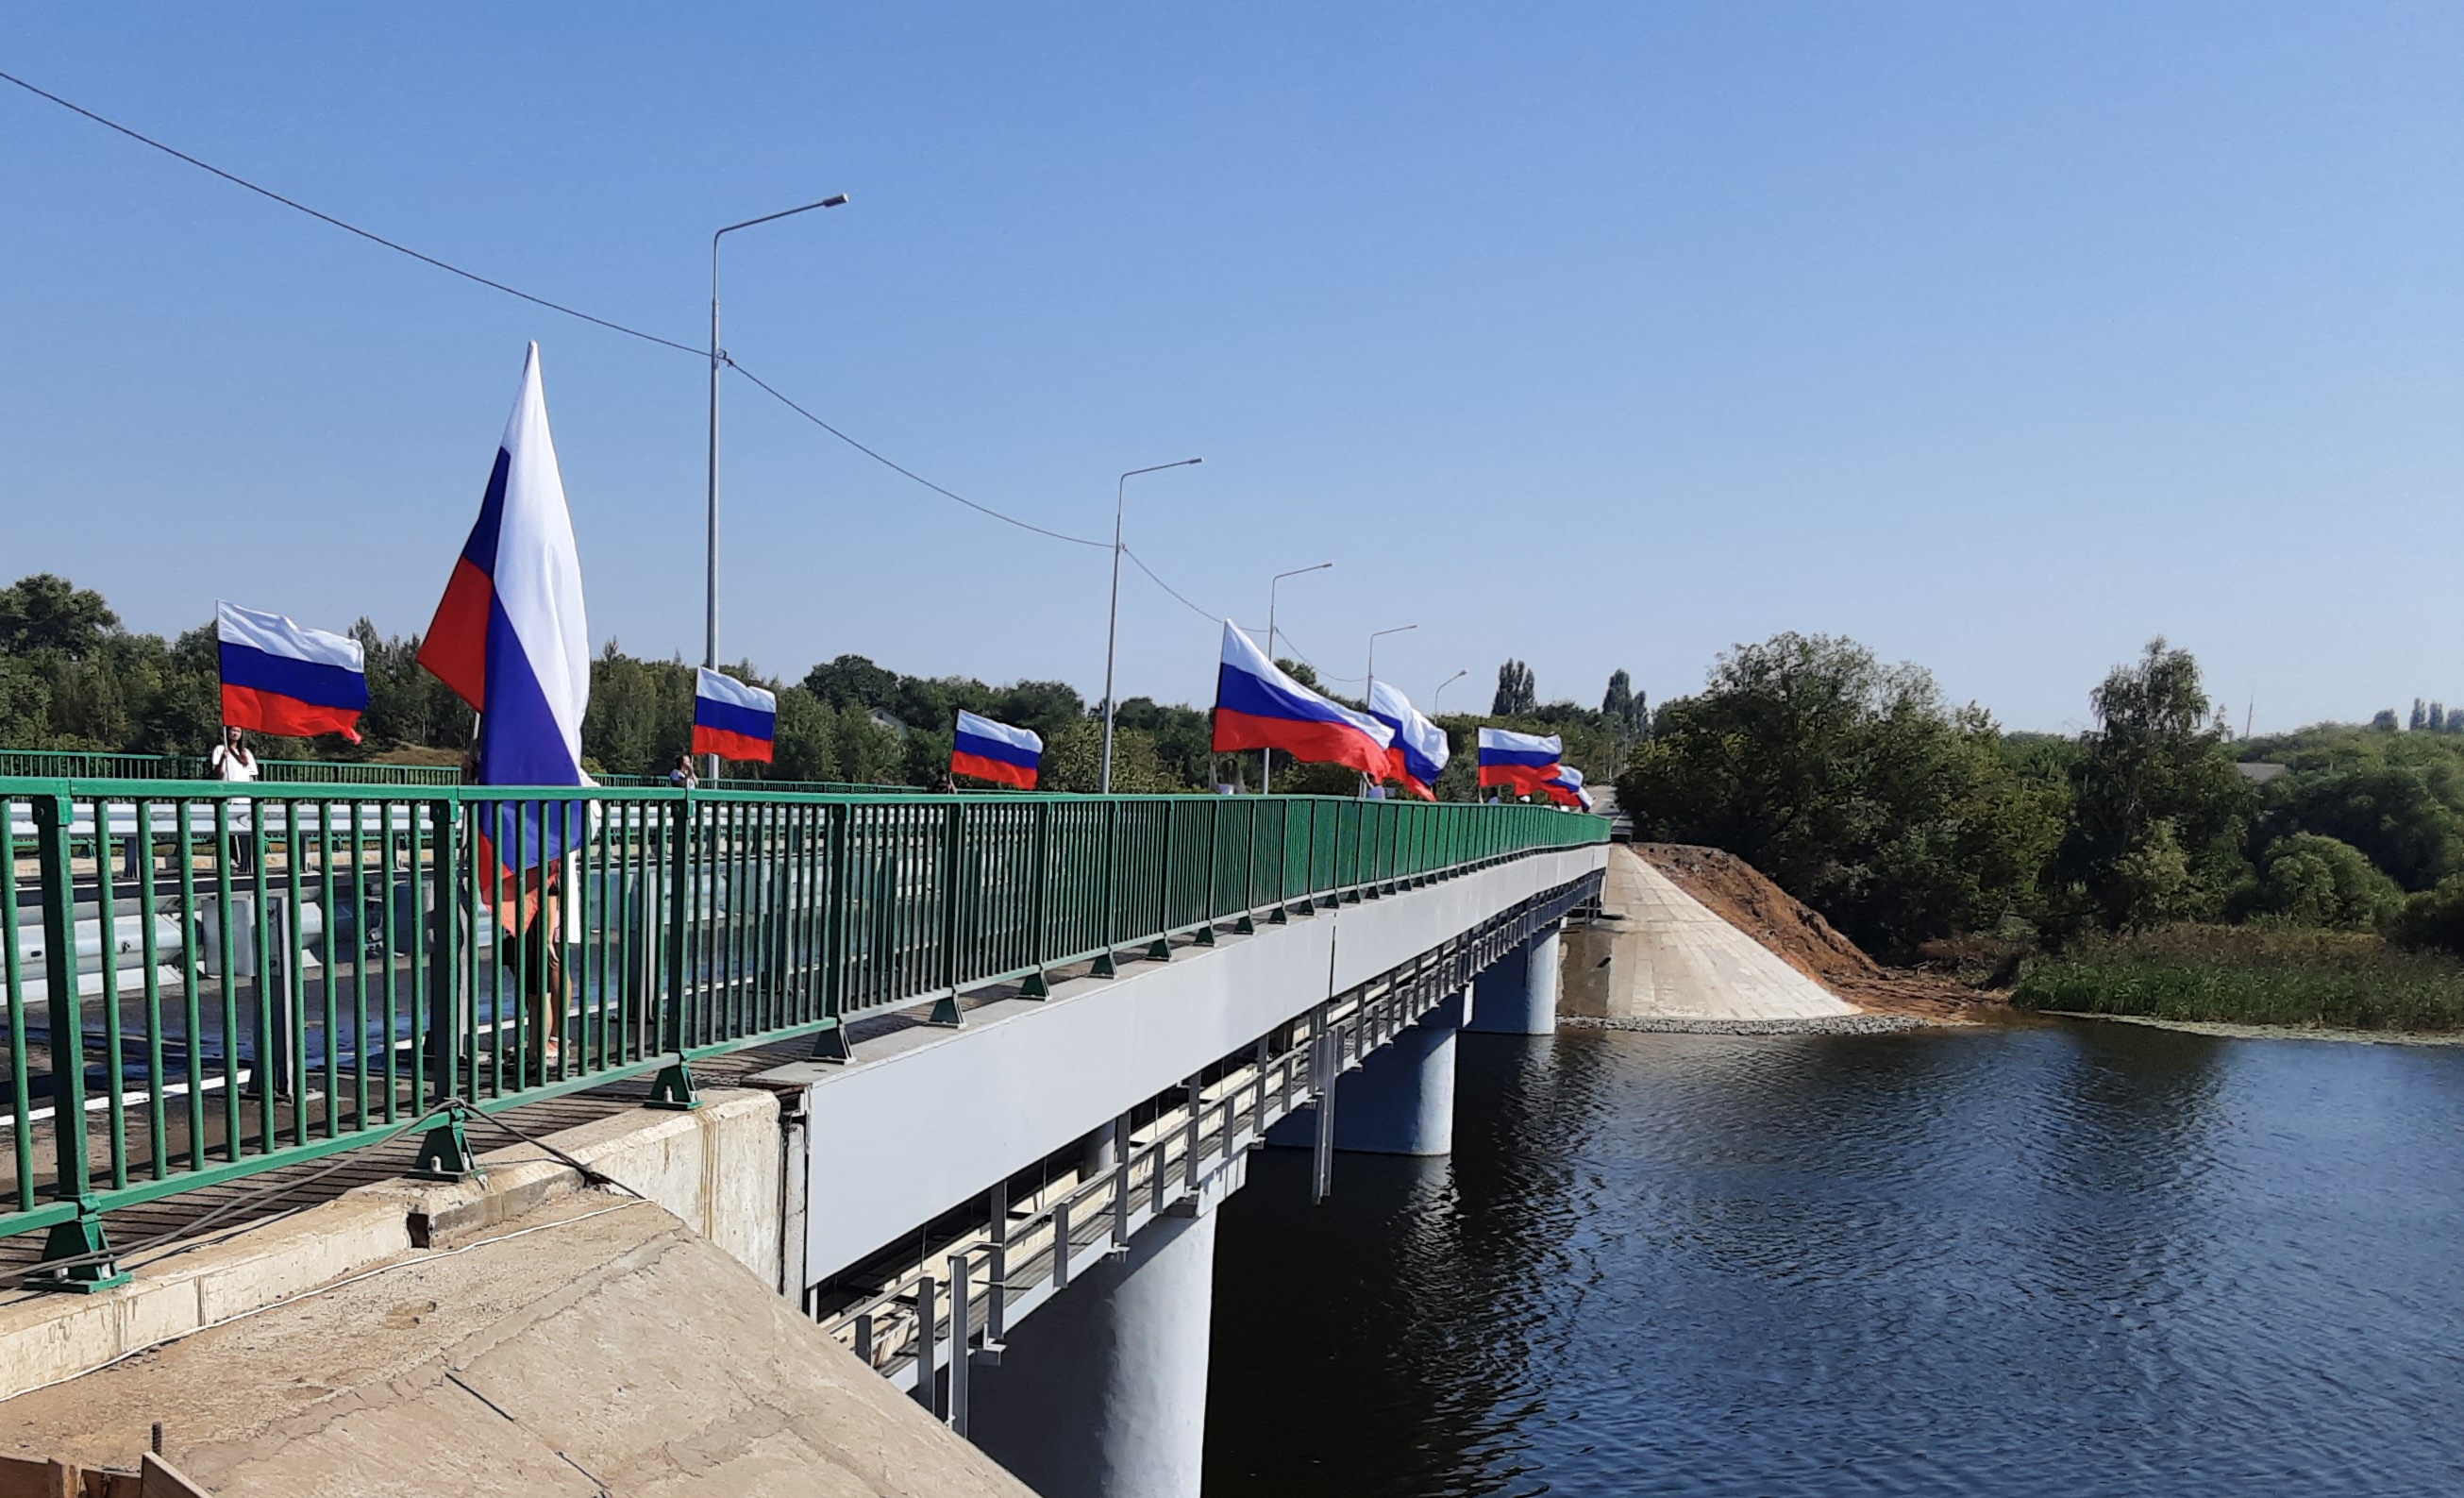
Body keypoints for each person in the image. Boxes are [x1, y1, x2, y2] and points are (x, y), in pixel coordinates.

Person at [209, 726, 260, 873]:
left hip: (245, 797)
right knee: (229, 831)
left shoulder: (246, 753)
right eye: (232, 730)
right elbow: (217, 773)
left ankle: (246, 863)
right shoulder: (220, 749)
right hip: (229, 797)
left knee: (246, 832)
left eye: (238, 731)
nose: (234, 733)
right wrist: (223, 759)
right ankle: (231, 861)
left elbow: (252, 774)